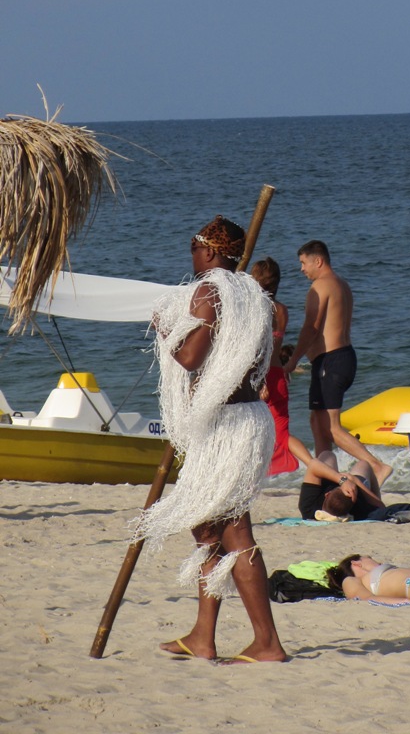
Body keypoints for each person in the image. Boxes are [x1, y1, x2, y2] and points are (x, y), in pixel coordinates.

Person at [134, 215, 286, 664]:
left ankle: (267, 643)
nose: (193, 259)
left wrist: (165, 328)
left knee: (235, 530)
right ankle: (204, 635)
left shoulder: (211, 290)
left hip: (226, 426)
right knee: (208, 529)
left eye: (196, 250)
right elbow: (261, 358)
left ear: (213, 253)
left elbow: (190, 358)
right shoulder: (256, 297)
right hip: (246, 419)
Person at [283, 239, 391, 486]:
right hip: (340, 358)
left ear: (317, 261)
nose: (301, 269)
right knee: (317, 422)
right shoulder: (341, 284)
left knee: (331, 427)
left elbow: (311, 329)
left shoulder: (320, 287)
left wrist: (291, 361)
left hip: (332, 362)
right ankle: (326, 475)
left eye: (303, 263)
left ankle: (377, 466)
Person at [250, 257, 313, 474]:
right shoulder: (282, 310)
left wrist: (258, 382)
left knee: (252, 431)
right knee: (283, 434)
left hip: (261, 377)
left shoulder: (255, 310)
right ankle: (312, 464)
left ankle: (253, 473)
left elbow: (258, 350)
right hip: (277, 376)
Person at [298, 451, 385, 521]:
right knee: (364, 464)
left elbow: (313, 464)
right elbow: (381, 507)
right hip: (356, 485)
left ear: (327, 494)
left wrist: (342, 480)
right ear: (353, 500)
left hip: (329, 483)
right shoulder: (358, 510)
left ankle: (333, 474)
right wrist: (355, 481)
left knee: (328, 454)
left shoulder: (308, 508)